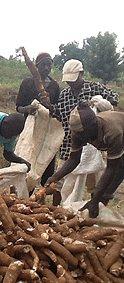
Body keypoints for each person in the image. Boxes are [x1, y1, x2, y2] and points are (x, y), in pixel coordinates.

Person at [51, 59, 119, 205]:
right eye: (68, 81)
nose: (70, 83)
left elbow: (115, 99)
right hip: (70, 142)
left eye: (73, 80)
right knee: (60, 182)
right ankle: (55, 210)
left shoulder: (95, 88)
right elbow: (59, 116)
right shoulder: (64, 95)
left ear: (81, 73)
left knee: (94, 181)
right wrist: (49, 107)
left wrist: (100, 104)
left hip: (93, 145)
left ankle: (97, 207)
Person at [46, 102, 124, 218]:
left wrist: (96, 198)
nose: (81, 138)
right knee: (102, 196)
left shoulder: (113, 132)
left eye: (83, 134)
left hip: (121, 138)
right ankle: (96, 219)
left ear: (92, 126)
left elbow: (111, 169)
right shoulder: (79, 131)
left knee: (103, 191)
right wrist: (55, 177)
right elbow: (74, 159)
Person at [16, 52, 60, 187]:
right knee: (26, 159)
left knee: (46, 163)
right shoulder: (27, 83)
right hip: (29, 130)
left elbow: (58, 110)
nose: (47, 68)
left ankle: (40, 198)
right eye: (43, 65)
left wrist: (49, 107)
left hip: (47, 132)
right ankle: (25, 194)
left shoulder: (54, 86)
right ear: (36, 66)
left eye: (49, 65)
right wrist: (27, 109)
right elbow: (18, 107)